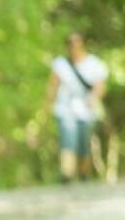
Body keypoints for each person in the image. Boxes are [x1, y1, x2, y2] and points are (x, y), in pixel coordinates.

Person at [45, 32, 108, 182]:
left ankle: (83, 174)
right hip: (65, 109)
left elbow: (100, 87)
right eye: (71, 44)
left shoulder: (93, 63)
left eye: (77, 44)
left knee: (83, 144)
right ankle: (66, 174)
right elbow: (52, 86)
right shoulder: (61, 64)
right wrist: (47, 107)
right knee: (68, 141)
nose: (74, 47)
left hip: (85, 111)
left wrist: (93, 99)